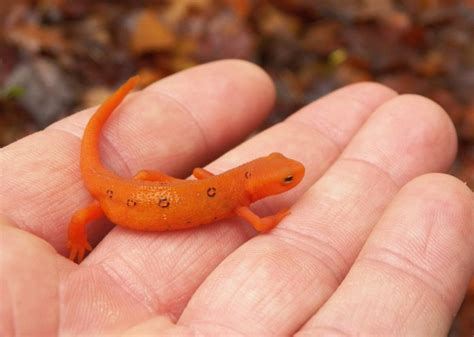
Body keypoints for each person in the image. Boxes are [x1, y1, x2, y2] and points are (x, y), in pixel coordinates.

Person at [0, 60, 472, 336]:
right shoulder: (238, 201)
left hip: (138, 191)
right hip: (116, 199)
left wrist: (169, 184)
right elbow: (263, 226)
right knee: (96, 207)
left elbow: (209, 181)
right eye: (285, 182)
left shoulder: (228, 188)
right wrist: (77, 236)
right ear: (256, 184)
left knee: (150, 181)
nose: (292, 181)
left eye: (286, 179)